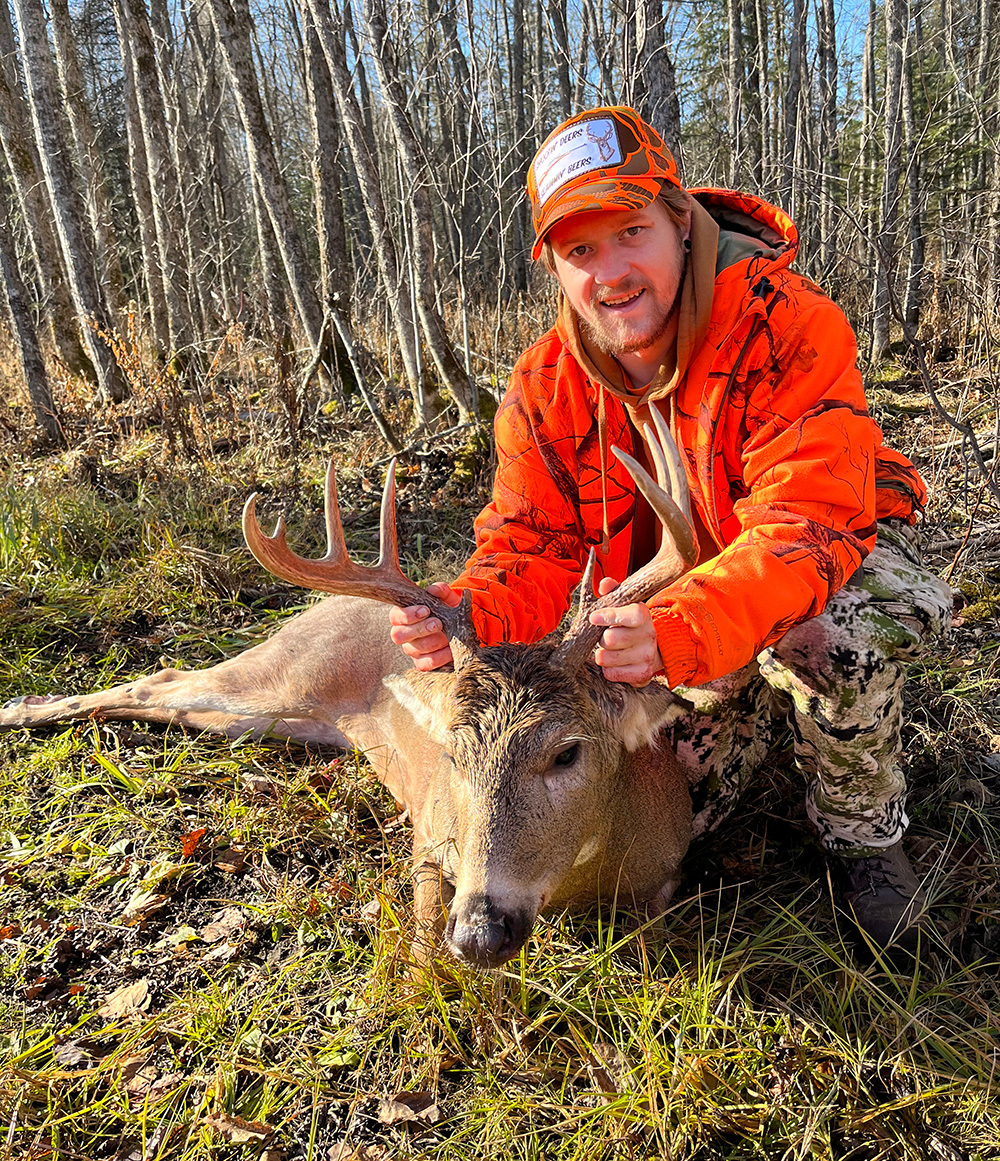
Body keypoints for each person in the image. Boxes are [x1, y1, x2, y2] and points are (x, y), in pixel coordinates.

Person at [389, 106, 952, 953]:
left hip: (797, 576)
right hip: (660, 623)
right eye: (580, 250)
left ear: (681, 222)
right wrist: (466, 613)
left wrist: (682, 630)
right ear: (554, 266)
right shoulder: (544, 386)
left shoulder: (787, 325)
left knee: (841, 637)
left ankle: (864, 835)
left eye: (630, 232)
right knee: (671, 790)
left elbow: (807, 523)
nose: (610, 272)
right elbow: (529, 544)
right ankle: (756, 717)